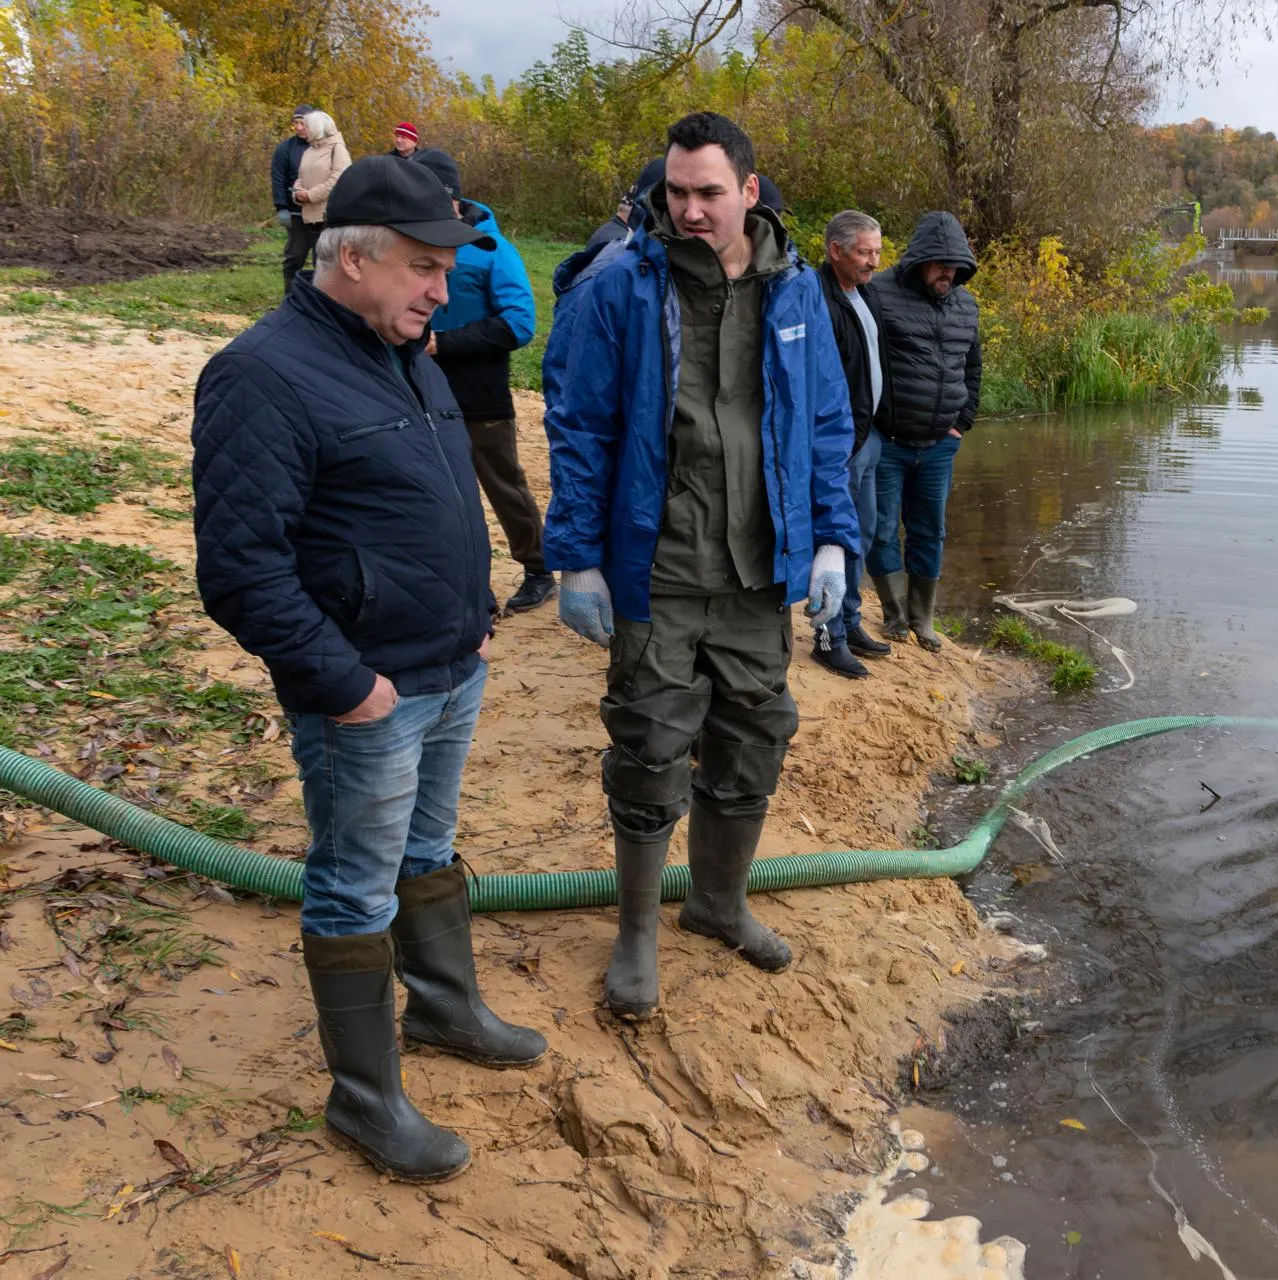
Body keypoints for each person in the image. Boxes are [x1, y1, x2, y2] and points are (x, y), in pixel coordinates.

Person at [191, 155, 547, 1185]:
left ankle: (443, 1009)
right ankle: (364, 1099)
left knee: (428, 849)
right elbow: (241, 569)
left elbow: (432, 496)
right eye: (423, 266)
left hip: (450, 665)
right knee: (353, 887)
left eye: (447, 267)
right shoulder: (261, 374)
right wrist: (344, 684)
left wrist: (475, 615)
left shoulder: (407, 349)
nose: (442, 288)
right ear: (352, 257)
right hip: (367, 694)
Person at [544, 111, 858, 1019]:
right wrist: (577, 559)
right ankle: (637, 934)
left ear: (748, 192)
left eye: (709, 192)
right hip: (660, 570)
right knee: (649, 747)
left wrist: (832, 539)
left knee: (753, 740)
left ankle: (718, 903)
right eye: (676, 192)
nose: (689, 209)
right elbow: (578, 427)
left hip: (760, 574)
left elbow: (826, 425)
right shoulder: (618, 288)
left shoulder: (797, 292)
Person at [416, 151, 553, 614]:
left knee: (502, 483)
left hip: (480, 393)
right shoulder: (407, 241)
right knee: (438, 488)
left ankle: (539, 570)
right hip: (419, 390)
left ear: (453, 199)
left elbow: (520, 323)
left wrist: (443, 343)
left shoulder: (493, 248)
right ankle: (464, 579)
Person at [866, 212, 980, 650]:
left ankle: (923, 618)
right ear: (919, 261)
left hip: (938, 446)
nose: (948, 274)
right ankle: (895, 616)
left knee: (930, 531)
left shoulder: (966, 306)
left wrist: (962, 420)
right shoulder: (878, 294)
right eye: (941, 265)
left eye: (956, 267)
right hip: (886, 441)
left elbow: (973, 369)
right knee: (881, 531)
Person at [809, 210, 892, 678]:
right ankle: (828, 638)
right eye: (864, 252)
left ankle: (851, 622)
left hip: (869, 434)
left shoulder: (865, 293)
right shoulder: (817, 298)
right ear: (835, 250)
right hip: (838, 442)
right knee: (835, 540)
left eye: (877, 251)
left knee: (862, 535)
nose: (873, 261)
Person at [289, 111, 350, 288]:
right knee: (296, 259)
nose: (303, 129)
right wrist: (297, 192)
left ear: (316, 128)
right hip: (308, 215)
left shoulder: (337, 148)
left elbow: (338, 179)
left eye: (307, 126)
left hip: (329, 216)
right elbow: (301, 177)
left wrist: (311, 195)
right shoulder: (309, 151)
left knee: (325, 264)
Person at [271, 105, 313, 292]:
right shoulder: (285, 149)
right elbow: (278, 178)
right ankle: (290, 297)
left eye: (302, 123)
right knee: (295, 256)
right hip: (296, 214)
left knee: (323, 260)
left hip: (321, 213)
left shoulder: (324, 147)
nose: (299, 128)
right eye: (296, 123)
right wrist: (281, 207)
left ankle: (319, 299)